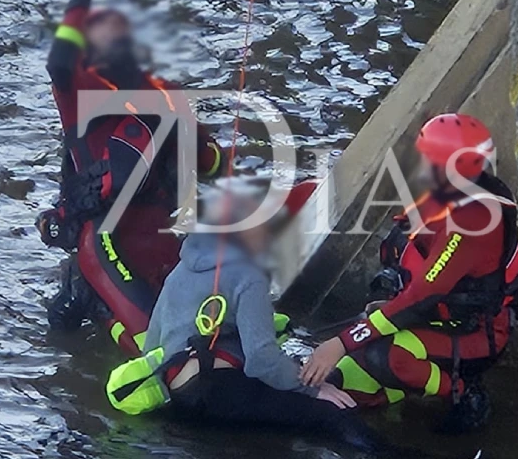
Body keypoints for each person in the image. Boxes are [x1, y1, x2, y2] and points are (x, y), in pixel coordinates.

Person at [37, 0, 224, 357]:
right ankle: (92, 301)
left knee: (211, 328)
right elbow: (58, 63)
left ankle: (96, 306)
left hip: (167, 238)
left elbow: (213, 163)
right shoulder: (82, 96)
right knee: (154, 345)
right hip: (107, 242)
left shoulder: (165, 98)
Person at [300, 113, 518, 433]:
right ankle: (394, 389)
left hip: (475, 332)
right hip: (433, 318)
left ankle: (463, 393)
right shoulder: (455, 194)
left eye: (427, 159)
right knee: (340, 376)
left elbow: (423, 296)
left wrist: (342, 342)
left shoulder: (473, 221)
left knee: (384, 355)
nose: (420, 167)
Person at [136, 187, 383, 452]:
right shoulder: (248, 274)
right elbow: (261, 360)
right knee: (332, 412)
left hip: (179, 396)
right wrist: (313, 390)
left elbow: (151, 348)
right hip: (220, 390)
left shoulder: (178, 273)